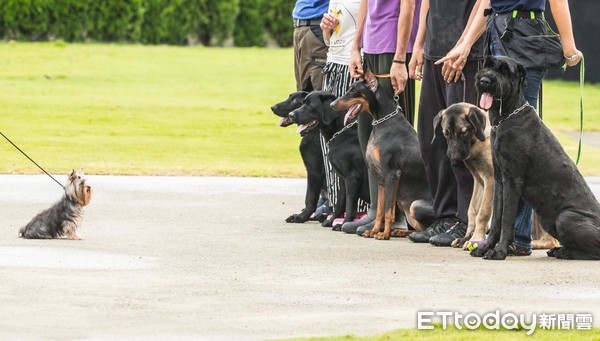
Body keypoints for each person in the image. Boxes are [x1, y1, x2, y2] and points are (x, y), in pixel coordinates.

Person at [437, 0, 582, 254]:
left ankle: (517, 237)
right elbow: (487, 3)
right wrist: (466, 43)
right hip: (498, 32)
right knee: (504, 145)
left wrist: (569, 48)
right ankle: (502, 236)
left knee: (519, 146)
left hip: (524, 36)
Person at [405, 0, 483, 246]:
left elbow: (485, 4)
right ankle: (445, 215)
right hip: (434, 52)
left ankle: (465, 219)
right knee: (432, 140)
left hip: (465, 56)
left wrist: (464, 46)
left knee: (461, 144)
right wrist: (419, 45)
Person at [341, 0, 421, 235]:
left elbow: (408, 8)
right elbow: (365, 5)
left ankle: (397, 215)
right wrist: (356, 47)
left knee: (393, 141)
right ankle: (376, 212)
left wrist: (399, 59)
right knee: (368, 134)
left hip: (392, 49)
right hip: (371, 47)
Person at [320, 0, 370, 216]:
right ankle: (335, 204)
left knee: (349, 142)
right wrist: (326, 29)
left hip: (351, 69)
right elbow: (332, 39)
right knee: (329, 141)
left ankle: (358, 208)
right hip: (333, 64)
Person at [293, 0, 336, 218]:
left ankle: (331, 195)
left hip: (319, 28)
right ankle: (321, 191)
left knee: (323, 114)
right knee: (306, 114)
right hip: (302, 27)